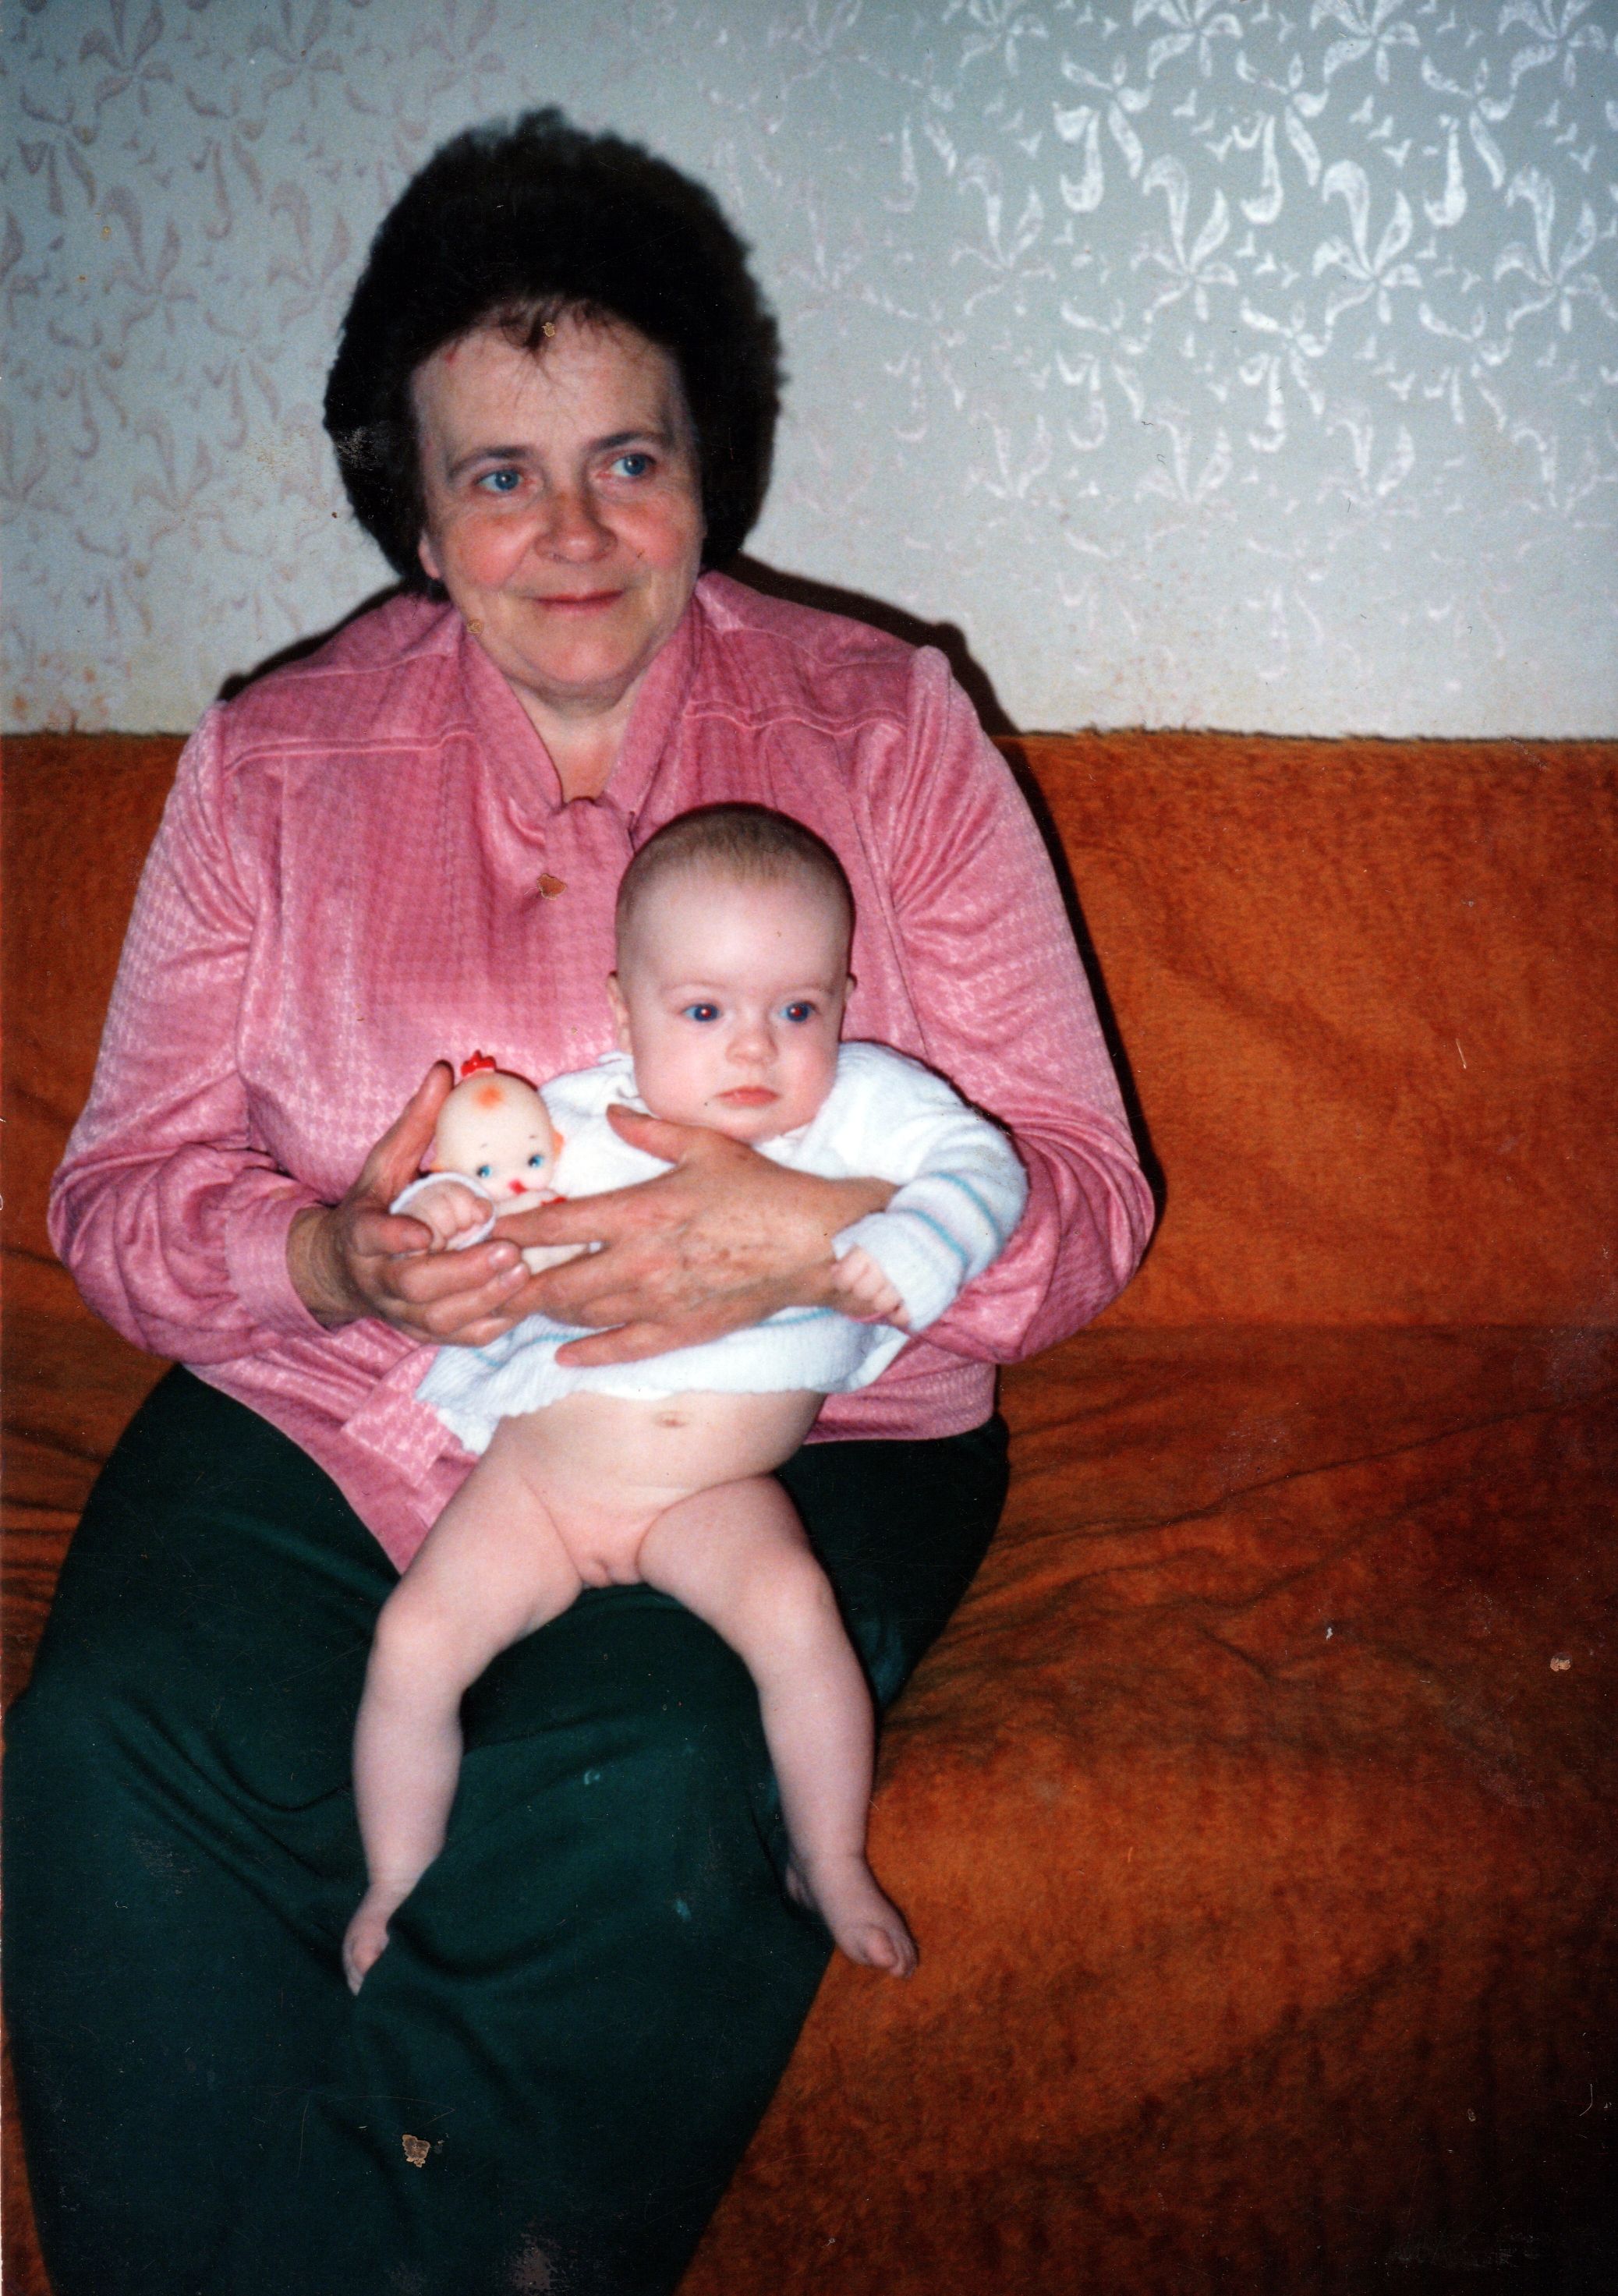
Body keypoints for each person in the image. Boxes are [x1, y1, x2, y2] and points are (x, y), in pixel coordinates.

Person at [5, 108, 1152, 2296]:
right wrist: (329, 1254)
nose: (572, 531)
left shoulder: (887, 728)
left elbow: (1084, 1195)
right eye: (498, 474)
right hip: (348, 1413)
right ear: (413, 510)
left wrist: (802, 1235)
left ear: (708, 464)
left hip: (788, 1428)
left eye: (628, 456)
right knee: (110, 1748)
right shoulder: (270, 764)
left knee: (646, 1782)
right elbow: (120, 1197)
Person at [345, 805, 1029, 1994]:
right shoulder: (583, 1113)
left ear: (846, 999)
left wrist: (920, 1240)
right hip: (541, 1486)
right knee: (411, 1642)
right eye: (705, 1013)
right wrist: (437, 1211)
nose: (754, 1051)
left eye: (797, 1011)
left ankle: (830, 1858)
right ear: (626, 1014)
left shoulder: (859, 1106)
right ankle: (397, 1881)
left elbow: (989, 1166)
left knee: (798, 1615)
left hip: (713, 1493)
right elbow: (481, 1186)